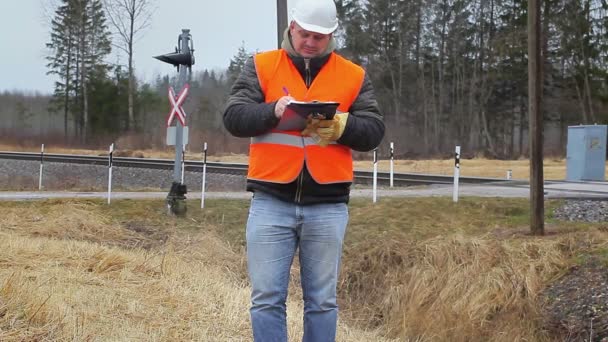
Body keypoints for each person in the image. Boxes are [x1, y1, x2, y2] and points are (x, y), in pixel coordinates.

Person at [223, 0, 384, 340]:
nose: (310, 42)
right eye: (305, 34)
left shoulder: (353, 75)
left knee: (322, 302)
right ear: (292, 27)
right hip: (271, 200)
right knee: (267, 299)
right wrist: (273, 111)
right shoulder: (261, 66)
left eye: (319, 37)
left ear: (332, 35)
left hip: (328, 204)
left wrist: (342, 125)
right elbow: (234, 117)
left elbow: (373, 131)